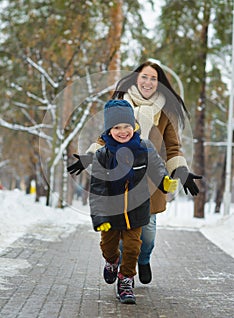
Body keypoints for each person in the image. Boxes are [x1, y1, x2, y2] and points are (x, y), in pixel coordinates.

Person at [67, 60, 202, 285]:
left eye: (153, 78)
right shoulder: (120, 105)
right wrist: (90, 156)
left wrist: (181, 171)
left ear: (159, 84)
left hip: (152, 181)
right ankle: (124, 273)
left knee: (147, 236)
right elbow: (104, 138)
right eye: (144, 77)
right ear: (136, 79)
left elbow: (173, 147)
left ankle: (144, 258)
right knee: (122, 234)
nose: (148, 82)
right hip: (120, 182)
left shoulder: (165, 112)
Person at [88, 99, 178, 304]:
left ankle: (126, 280)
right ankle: (111, 262)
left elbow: (157, 169)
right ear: (109, 130)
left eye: (126, 126)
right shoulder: (102, 155)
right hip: (111, 212)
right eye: (116, 127)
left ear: (134, 126)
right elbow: (97, 189)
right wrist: (99, 217)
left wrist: (165, 182)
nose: (122, 131)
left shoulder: (144, 148)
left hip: (137, 209)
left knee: (132, 248)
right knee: (109, 247)